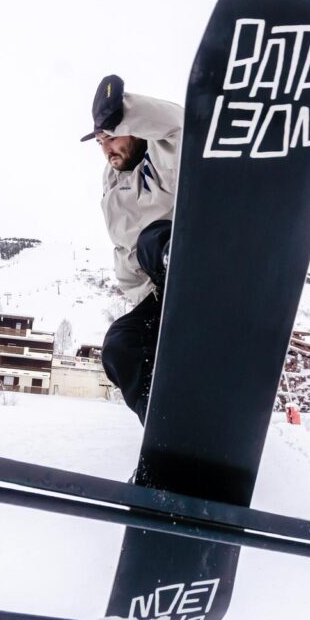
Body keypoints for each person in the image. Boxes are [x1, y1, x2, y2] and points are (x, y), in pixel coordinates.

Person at [81, 74, 183, 423]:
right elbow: (122, 246)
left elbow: (179, 126)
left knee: (152, 240)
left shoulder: (165, 159)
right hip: (154, 296)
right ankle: (165, 426)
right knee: (120, 345)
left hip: (184, 263)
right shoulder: (112, 182)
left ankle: (187, 277)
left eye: (111, 137)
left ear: (136, 129)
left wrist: (119, 111)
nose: (106, 148)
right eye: (99, 142)